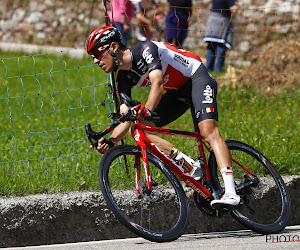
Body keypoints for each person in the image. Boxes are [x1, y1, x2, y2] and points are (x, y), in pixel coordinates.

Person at [85, 26, 240, 207]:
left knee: (208, 131)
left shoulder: (146, 49)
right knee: (139, 127)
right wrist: (110, 141)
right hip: (177, 92)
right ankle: (190, 167)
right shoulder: (122, 79)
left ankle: (231, 193)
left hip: (196, 77)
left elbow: (157, 83)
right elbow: (125, 117)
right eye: (92, 56)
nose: (95, 60)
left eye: (97, 53)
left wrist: (148, 109)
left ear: (113, 47)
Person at [203, 0, 238, 73]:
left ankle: (208, 69)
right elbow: (233, 9)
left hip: (212, 20)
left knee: (211, 46)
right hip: (222, 21)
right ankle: (217, 71)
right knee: (221, 47)